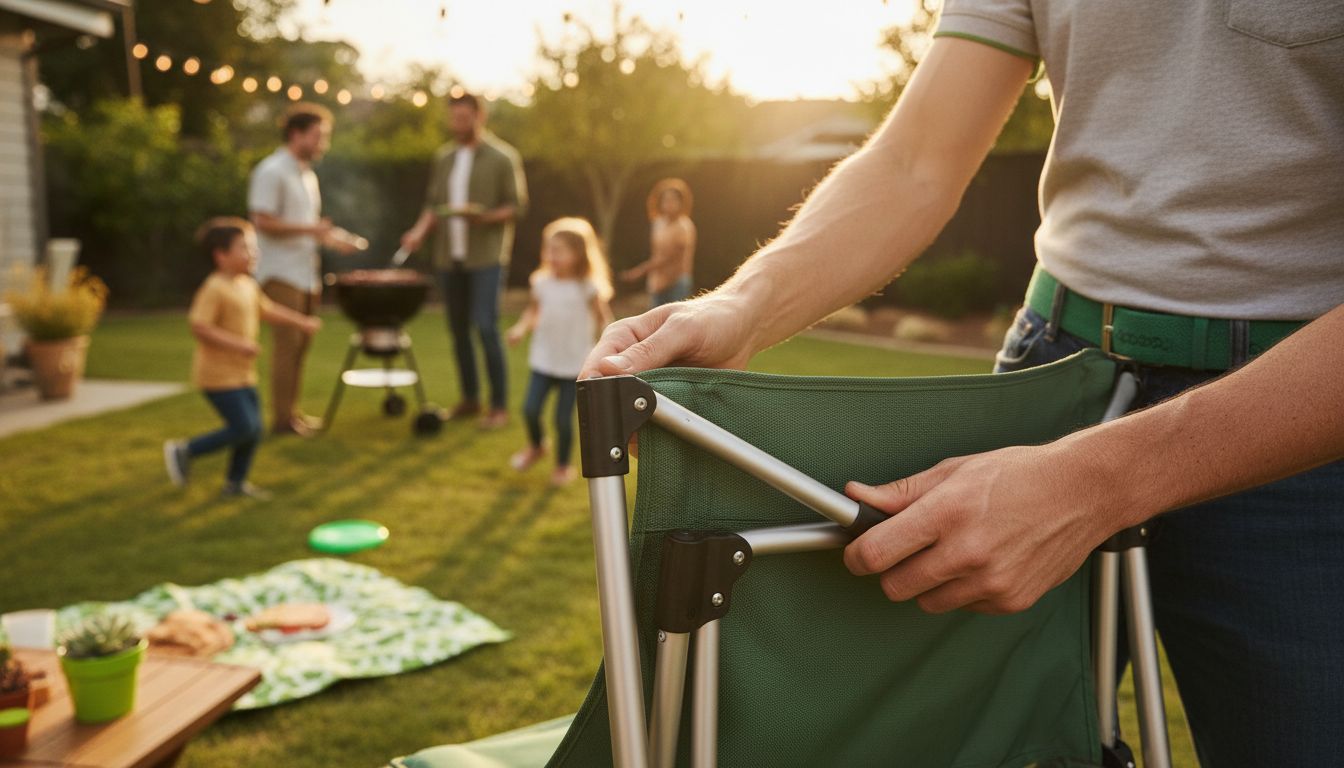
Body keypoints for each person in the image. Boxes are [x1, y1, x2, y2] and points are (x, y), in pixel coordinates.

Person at [581, 4, 1344, 765]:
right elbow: (916, 159)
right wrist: (742, 308)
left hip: (1294, 413)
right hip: (1055, 368)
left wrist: (1100, 480)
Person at [164, 218, 321, 499]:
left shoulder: (247, 285)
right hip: (217, 376)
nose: (254, 254)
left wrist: (301, 322)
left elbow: (268, 310)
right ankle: (185, 450)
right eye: (245, 248)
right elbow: (199, 326)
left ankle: (235, 484)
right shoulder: (215, 288)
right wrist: (239, 345)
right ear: (221, 255)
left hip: (243, 374)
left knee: (254, 430)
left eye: (253, 248)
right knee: (244, 427)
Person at [400, 91, 529, 430]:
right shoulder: (444, 158)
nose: (457, 123)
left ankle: (498, 406)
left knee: (485, 327)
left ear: (479, 116)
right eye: (453, 117)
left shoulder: (502, 157)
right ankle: (470, 399)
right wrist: (417, 232)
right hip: (449, 256)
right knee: (458, 331)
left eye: (464, 117)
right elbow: (433, 206)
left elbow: (516, 206)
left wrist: (482, 219)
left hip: (486, 257)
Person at [248, 103, 364, 437]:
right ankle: (282, 421)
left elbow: (306, 226)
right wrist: (313, 231)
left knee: (300, 346)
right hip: (279, 273)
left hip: (305, 272)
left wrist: (332, 238)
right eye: (318, 136)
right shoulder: (271, 171)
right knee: (288, 345)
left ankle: (292, 414)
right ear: (296, 134)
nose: (323, 143)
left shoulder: (306, 175)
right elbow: (262, 221)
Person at [506, 218, 615, 486]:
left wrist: (612, 342)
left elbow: (605, 319)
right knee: (530, 409)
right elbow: (533, 312)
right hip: (543, 360)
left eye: (559, 250)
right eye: (549, 249)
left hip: (574, 364)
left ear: (578, 254)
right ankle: (537, 445)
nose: (551, 256)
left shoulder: (587, 287)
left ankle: (562, 465)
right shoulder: (541, 282)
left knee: (562, 420)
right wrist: (521, 328)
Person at [620, 178, 697, 307]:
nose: (669, 204)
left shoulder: (684, 227)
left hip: (676, 283)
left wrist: (640, 271)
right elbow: (656, 253)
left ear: (681, 202)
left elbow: (668, 258)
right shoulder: (658, 223)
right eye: (666, 200)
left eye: (673, 200)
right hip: (657, 283)